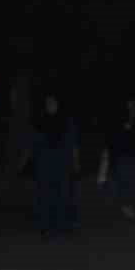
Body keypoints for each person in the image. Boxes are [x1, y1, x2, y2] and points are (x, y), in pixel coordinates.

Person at [31, 94, 79, 237]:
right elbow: (34, 144)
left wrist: (76, 163)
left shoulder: (66, 122)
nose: (50, 105)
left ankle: (63, 226)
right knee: (45, 196)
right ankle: (46, 227)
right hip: (45, 165)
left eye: (53, 102)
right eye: (48, 103)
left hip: (62, 164)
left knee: (63, 195)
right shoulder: (40, 122)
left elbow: (73, 144)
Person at [99, 99, 135, 220]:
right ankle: (126, 206)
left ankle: (131, 205)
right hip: (123, 158)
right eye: (131, 105)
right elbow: (113, 140)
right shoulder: (119, 121)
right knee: (124, 183)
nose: (133, 108)